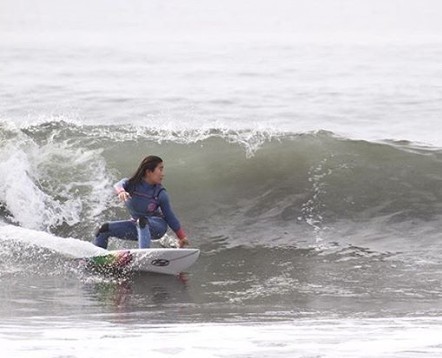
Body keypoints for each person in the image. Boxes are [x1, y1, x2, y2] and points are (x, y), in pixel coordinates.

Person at [93, 155, 189, 249]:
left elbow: (170, 216)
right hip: (136, 225)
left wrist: (181, 237)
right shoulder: (130, 184)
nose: (162, 174)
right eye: (160, 169)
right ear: (148, 171)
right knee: (103, 229)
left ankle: (143, 255)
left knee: (142, 221)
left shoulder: (160, 193)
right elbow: (118, 185)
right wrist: (121, 192)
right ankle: (98, 260)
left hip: (157, 226)